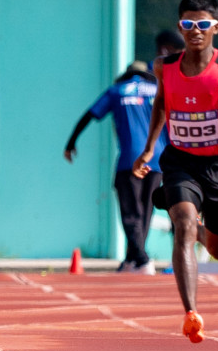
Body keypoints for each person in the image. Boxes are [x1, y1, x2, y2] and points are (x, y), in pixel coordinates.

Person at [134, 0, 218, 342]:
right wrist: (148, 150)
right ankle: (190, 313)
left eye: (203, 25)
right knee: (184, 224)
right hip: (181, 162)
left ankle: (201, 231)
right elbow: (161, 103)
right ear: (180, 27)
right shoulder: (165, 67)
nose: (195, 30)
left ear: (215, 28)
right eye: (189, 24)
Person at [65, 30, 184, 273]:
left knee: (131, 213)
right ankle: (132, 258)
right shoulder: (158, 90)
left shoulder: (117, 91)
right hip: (159, 160)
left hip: (130, 160)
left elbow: (89, 115)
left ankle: (141, 259)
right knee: (145, 212)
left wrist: (71, 143)